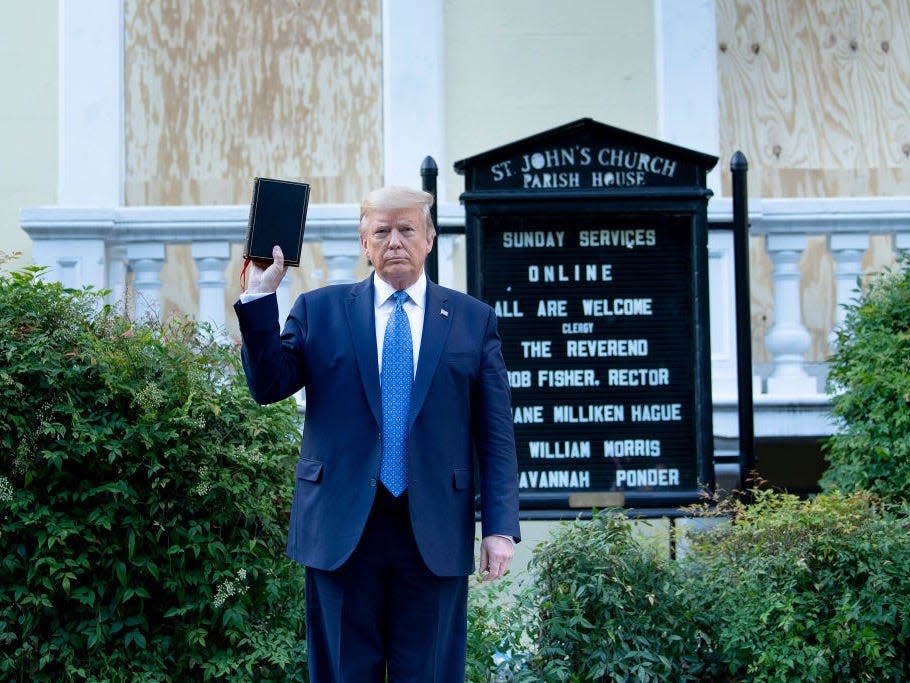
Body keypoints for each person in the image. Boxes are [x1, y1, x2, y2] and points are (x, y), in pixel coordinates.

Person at [234, 186, 521, 682]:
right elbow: (268, 386)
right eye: (381, 231)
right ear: (364, 243)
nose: (395, 241)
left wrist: (498, 527)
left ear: (429, 238)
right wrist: (261, 297)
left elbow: (495, 435)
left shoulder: (473, 321)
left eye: (407, 229)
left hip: (433, 530)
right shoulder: (319, 311)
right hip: (341, 529)